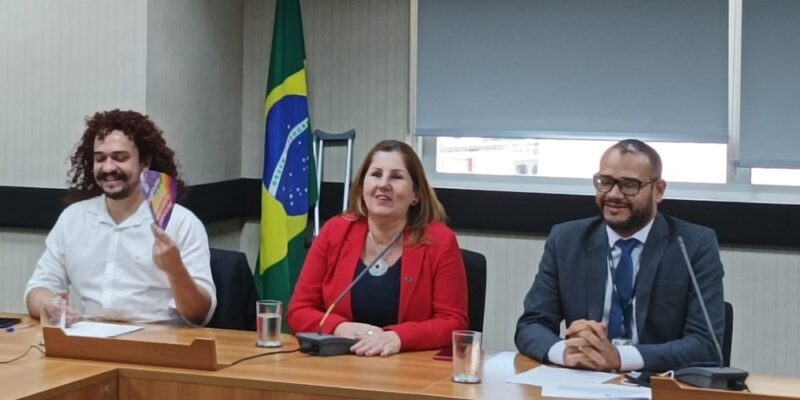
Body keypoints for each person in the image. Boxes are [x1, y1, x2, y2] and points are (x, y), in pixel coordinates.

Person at [515, 139, 725, 372]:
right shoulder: (567, 239)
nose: (613, 194)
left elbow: (706, 345)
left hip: (657, 384)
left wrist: (620, 358)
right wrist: (565, 352)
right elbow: (531, 325)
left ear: (658, 190)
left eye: (628, 185)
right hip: (581, 383)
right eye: (605, 182)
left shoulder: (693, 245)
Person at [25, 109, 216, 326]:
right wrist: (48, 305)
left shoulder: (181, 222)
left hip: (161, 343)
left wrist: (175, 269)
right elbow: (38, 287)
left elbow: (200, 314)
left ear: (144, 162)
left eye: (120, 158)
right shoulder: (73, 218)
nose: (108, 168)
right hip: (89, 339)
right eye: (100, 158)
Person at [288, 140, 468, 356]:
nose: (383, 184)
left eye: (396, 176)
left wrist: (397, 337)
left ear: (415, 195)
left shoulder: (439, 241)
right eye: (376, 174)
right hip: (340, 362)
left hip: (408, 366)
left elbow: (453, 323)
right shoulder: (334, 232)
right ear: (362, 186)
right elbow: (299, 310)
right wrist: (338, 328)